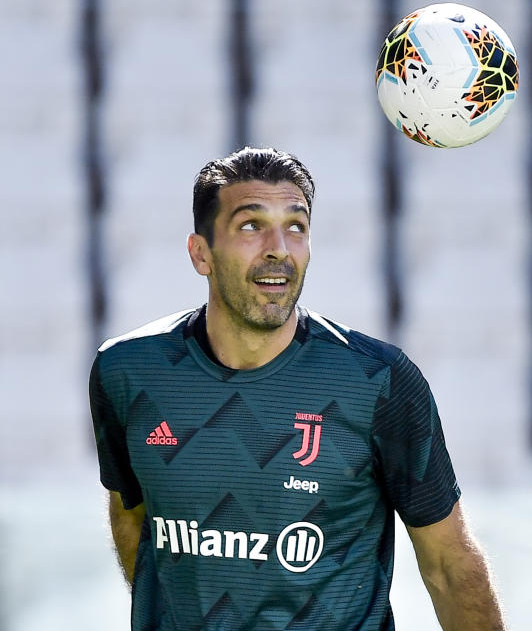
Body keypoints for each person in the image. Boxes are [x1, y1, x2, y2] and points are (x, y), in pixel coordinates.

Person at [90, 147, 507, 630]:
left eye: (296, 226)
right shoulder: (128, 370)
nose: (279, 248)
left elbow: (450, 567)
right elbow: (130, 514)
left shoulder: (379, 382)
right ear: (200, 253)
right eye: (251, 226)